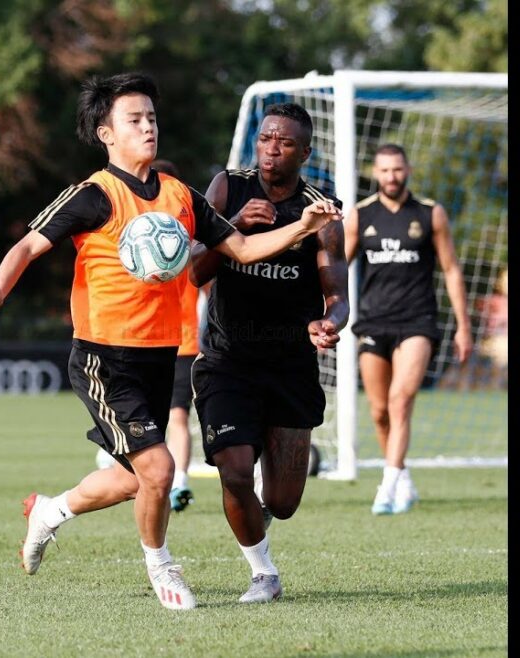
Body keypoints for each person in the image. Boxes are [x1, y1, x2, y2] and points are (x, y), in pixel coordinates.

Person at [0, 73, 341, 611]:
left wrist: (303, 225)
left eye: (151, 117)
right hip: (101, 359)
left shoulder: (180, 196)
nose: (147, 127)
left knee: (132, 480)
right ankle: (163, 567)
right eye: (133, 119)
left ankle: (50, 512)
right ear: (106, 134)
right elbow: (28, 246)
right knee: (162, 470)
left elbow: (242, 248)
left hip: (158, 357)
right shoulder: (96, 195)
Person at [187, 102, 349, 603]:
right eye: (265, 138)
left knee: (283, 500)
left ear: (304, 152)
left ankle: (259, 519)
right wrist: (233, 225)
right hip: (226, 359)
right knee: (234, 471)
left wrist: (330, 324)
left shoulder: (323, 211)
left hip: (289, 365)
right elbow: (195, 271)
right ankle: (263, 573)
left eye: (283, 142)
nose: (270, 149)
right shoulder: (227, 187)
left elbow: (338, 296)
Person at [342, 143, 472, 516]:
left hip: (418, 321)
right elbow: (337, 268)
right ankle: (403, 478)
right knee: (380, 411)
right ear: (375, 173)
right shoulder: (360, 216)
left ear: (408, 170)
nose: (391, 177)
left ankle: (388, 484)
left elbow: (450, 269)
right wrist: (323, 312)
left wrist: (463, 327)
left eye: (397, 169)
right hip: (372, 322)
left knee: (401, 400)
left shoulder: (431, 214)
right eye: (384, 170)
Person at [150, 159, 199, 513]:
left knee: (172, 416)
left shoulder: (146, 233)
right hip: (176, 340)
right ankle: (177, 478)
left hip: (176, 340)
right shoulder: (191, 239)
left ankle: (176, 480)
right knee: (175, 416)